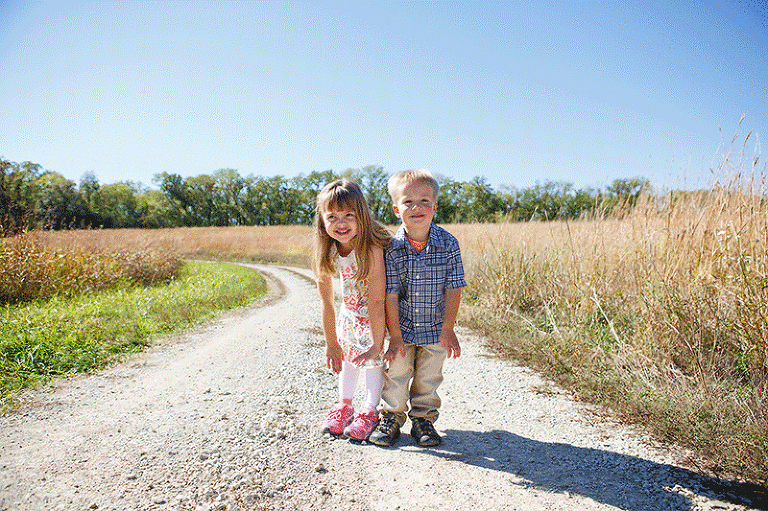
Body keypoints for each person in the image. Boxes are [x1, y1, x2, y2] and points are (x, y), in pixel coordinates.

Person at [370, 169, 466, 447]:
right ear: (396, 209)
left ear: (435, 207)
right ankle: (391, 417)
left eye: (424, 200)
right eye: (408, 201)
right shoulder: (392, 248)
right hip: (403, 328)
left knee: (429, 377)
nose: (416, 207)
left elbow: (454, 288)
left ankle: (423, 420)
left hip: (436, 329)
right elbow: (390, 295)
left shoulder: (448, 244)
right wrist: (396, 336)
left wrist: (448, 329)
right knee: (397, 375)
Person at [312, 179, 393, 441]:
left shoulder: (370, 248)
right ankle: (344, 406)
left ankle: (370, 410)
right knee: (348, 360)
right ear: (322, 221)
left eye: (349, 215)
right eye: (332, 217)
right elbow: (326, 302)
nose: (341, 223)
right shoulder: (328, 251)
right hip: (349, 317)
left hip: (374, 317)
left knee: (372, 364)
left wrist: (377, 342)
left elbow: (377, 300)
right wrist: (331, 343)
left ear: (362, 216)